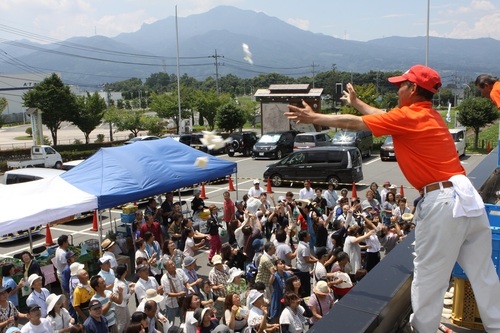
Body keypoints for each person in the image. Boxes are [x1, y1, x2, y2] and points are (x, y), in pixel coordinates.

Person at [286, 64, 500, 333]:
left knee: (429, 275)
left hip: (442, 201)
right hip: (467, 198)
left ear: (412, 89)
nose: (398, 89)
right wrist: (357, 101)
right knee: (483, 274)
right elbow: (381, 117)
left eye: (401, 85)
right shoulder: (428, 115)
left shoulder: (408, 117)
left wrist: (315, 116)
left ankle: (423, 329)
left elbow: (356, 123)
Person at [161, 259, 194, 326]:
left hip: (182, 301)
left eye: (173, 263)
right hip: (171, 304)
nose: (173, 265)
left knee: (183, 319)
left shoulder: (180, 271)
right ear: (166, 268)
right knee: (170, 323)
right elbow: (168, 293)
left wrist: (189, 288)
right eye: (170, 265)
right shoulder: (164, 279)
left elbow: (186, 282)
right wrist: (179, 294)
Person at [113, 264, 135, 333]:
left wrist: (129, 285)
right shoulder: (121, 285)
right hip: (120, 306)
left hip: (123, 305)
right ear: (124, 272)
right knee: (122, 322)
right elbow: (124, 297)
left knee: (128, 319)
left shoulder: (118, 280)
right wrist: (131, 292)